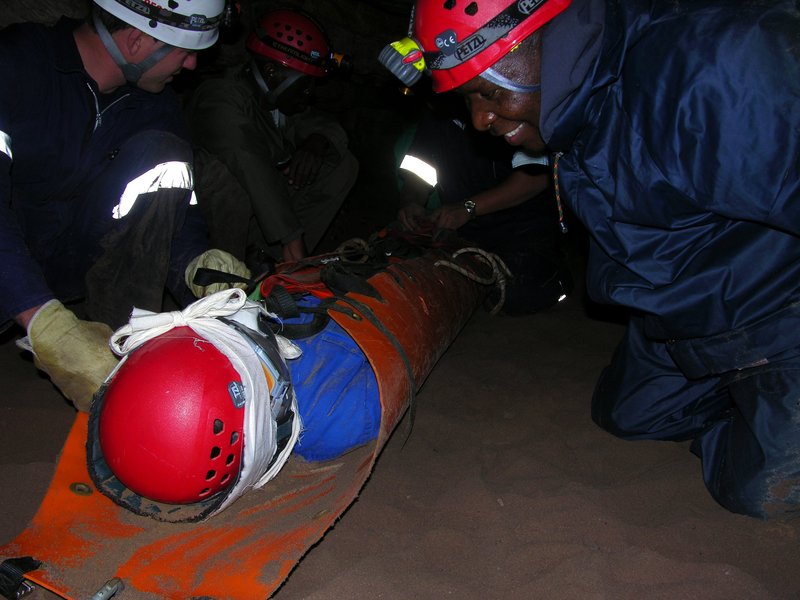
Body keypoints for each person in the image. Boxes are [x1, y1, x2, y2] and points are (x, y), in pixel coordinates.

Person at [380, 0, 800, 519]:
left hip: (773, 307)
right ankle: (747, 397)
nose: (481, 119)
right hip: (683, 317)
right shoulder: (577, 105)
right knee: (624, 414)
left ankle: (767, 394)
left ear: (545, 36)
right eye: (469, 99)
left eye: (487, 92)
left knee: (761, 486)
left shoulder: (712, 68)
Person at [0, 0, 250, 412]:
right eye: (185, 51)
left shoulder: (157, 107)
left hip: (68, 269)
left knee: (164, 151)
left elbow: (175, 201)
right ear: (136, 40)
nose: (189, 65)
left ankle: (120, 359)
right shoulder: (16, 64)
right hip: (12, 271)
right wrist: (43, 320)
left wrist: (196, 260)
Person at [186, 8, 359, 266]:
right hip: (199, 228)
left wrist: (317, 141)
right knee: (233, 180)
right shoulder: (219, 96)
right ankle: (230, 279)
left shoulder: (276, 101)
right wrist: (291, 236)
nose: (310, 93)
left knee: (342, 165)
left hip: (252, 220)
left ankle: (277, 265)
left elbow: (323, 124)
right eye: (306, 83)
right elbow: (245, 156)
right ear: (272, 73)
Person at [395, 92, 571, 314]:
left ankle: (554, 267)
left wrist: (469, 207)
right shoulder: (437, 120)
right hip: (462, 233)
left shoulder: (505, 111)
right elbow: (417, 172)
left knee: (520, 294)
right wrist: (411, 202)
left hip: (520, 228)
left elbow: (535, 178)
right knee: (414, 278)